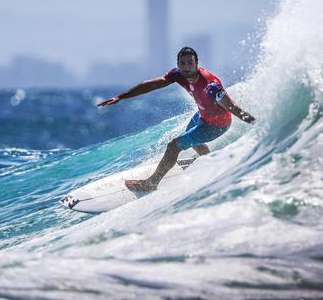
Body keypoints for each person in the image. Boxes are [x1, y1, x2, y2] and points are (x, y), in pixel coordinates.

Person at [97, 46, 255, 192]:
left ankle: (152, 183)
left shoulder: (210, 85)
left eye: (190, 63)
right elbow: (152, 85)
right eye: (183, 63)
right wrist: (121, 96)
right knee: (190, 136)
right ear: (178, 65)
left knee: (173, 146)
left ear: (197, 63)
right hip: (203, 115)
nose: (187, 67)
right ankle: (208, 160)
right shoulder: (178, 75)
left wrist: (256, 123)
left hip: (218, 124)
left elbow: (232, 107)